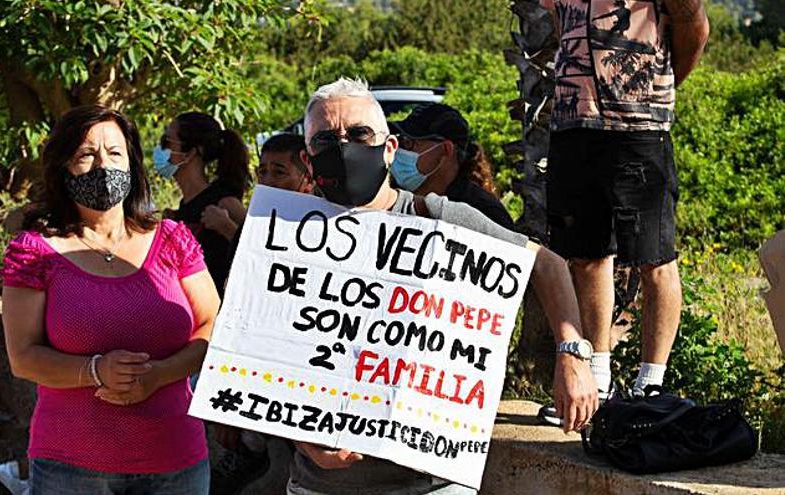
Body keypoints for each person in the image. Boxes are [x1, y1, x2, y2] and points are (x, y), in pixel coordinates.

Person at [286, 77, 597, 495]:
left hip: (431, 483)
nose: (343, 147)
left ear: (390, 148)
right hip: (319, 486)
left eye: (359, 134)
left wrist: (572, 355)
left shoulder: (439, 219)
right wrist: (298, 434)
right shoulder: (284, 238)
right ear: (308, 160)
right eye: (325, 140)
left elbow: (546, 263)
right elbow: (263, 354)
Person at [0, 105, 220, 494]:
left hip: (177, 463)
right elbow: (23, 357)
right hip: (70, 469)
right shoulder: (34, 252)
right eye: (86, 155)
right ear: (63, 167)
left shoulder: (173, 239)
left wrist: (160, 376)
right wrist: (95, 370)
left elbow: (213, 326)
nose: (103, 166)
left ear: (132, 163)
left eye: (115, 153)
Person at [539, 0, 710, 415]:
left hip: (639, 129)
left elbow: (695, 29)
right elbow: (563, 26)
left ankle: (651, 386)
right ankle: (598, 380)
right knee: (586, 257)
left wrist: (651, 89)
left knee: (655, 259)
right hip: (573, 124)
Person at [209, 133, 313, 494]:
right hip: (261, 391)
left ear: (308, 177)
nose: (267, 181)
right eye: (263, 172)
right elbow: (236, 314)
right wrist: (228, 407)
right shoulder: (252, 231)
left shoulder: (332, 230)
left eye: (280, 172)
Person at [153, 111, 250, 294]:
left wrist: (227, 228)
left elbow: (258, 257)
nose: (159, 149)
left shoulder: (224, 203)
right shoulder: (183, 207)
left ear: (190, 153)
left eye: (167, 143)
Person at [388, 103, 514, 230]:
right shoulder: (390, 199)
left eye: (409, 143)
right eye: (400, 141)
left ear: (446, 149)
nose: (399, 150)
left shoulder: (484, 212)